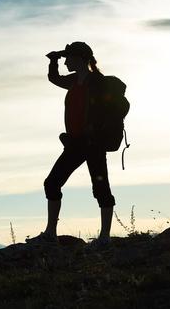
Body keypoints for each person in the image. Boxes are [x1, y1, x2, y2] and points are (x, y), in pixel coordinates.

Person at [25, 41, 116, 249]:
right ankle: (50, 233)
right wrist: (53, 60)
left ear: (80, 59)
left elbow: (103, 113)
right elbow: (54, 78)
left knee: (101, 188)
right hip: (75, 143)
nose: (66, 61)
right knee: (52, 183)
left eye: (68, 58)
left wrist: (95, 132)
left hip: (93, 143)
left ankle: (104, 237)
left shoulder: (98, 82)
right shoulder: (74, 80)